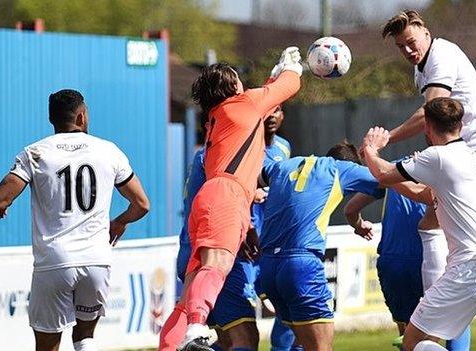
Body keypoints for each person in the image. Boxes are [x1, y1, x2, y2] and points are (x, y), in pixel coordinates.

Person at [381, 10, 476, 350]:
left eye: (411, 42)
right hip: (468, 153)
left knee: (439, 230)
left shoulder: (440, 56)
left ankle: (438, 323)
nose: (408, 50)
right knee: (434, 225)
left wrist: (388, 138)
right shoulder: (422, 67)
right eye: (401, 47)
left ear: (425, 31)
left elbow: (433, 111)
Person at [159, 47, 302, 351]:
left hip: (216, 198)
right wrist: (292, 67)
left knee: (189, 296)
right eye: (239, 80)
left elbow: (264, 101)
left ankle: (174, 342)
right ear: (234, 87)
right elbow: (289, 87)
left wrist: (247, 224)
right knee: (215, 267)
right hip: (226, 197)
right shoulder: (242, 105)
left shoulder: (221, 116)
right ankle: (197, 331)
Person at [0, 89, 150, 351]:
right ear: (82, 116)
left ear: (52, 119)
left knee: (47, 344)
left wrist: (0, 207)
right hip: (97, 261)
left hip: (54, 263)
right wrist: (120, 222)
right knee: (85, 337)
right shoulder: (109, 151)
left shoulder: (35, 153)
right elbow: (142, 204)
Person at [361, 97, 476, 351]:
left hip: (468, 270)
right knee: (425, 342)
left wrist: (370, 149)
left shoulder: (438, 156)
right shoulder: (471, 156)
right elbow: (422, 193)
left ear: (426, 126)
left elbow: (383, 173)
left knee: (412, 343)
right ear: (460, 126)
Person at [173, 106, 298, 351]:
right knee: (244, 336)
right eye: (267, 110)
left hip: (250, 249)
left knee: (230, 336)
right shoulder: (220, 156)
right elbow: (218, 201)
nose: (271, 115)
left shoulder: (282, 148)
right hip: (223, 252)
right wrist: (252, 195)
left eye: (278, 110)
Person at [257, 141, 382, 351]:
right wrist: (374, 152)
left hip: (269, 265)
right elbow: (387, 179)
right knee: (320, 347)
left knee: (298, 342)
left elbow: (251, 181)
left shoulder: (284, 165)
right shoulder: (340, 168)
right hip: (300, 264)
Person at [344, 187, 471, 351]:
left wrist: (359, 225)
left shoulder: (388, 173)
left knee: (409, 336)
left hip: (394, 260)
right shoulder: (445, 168)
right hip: (433, 255)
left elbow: (350, 210)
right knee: (456, 318)